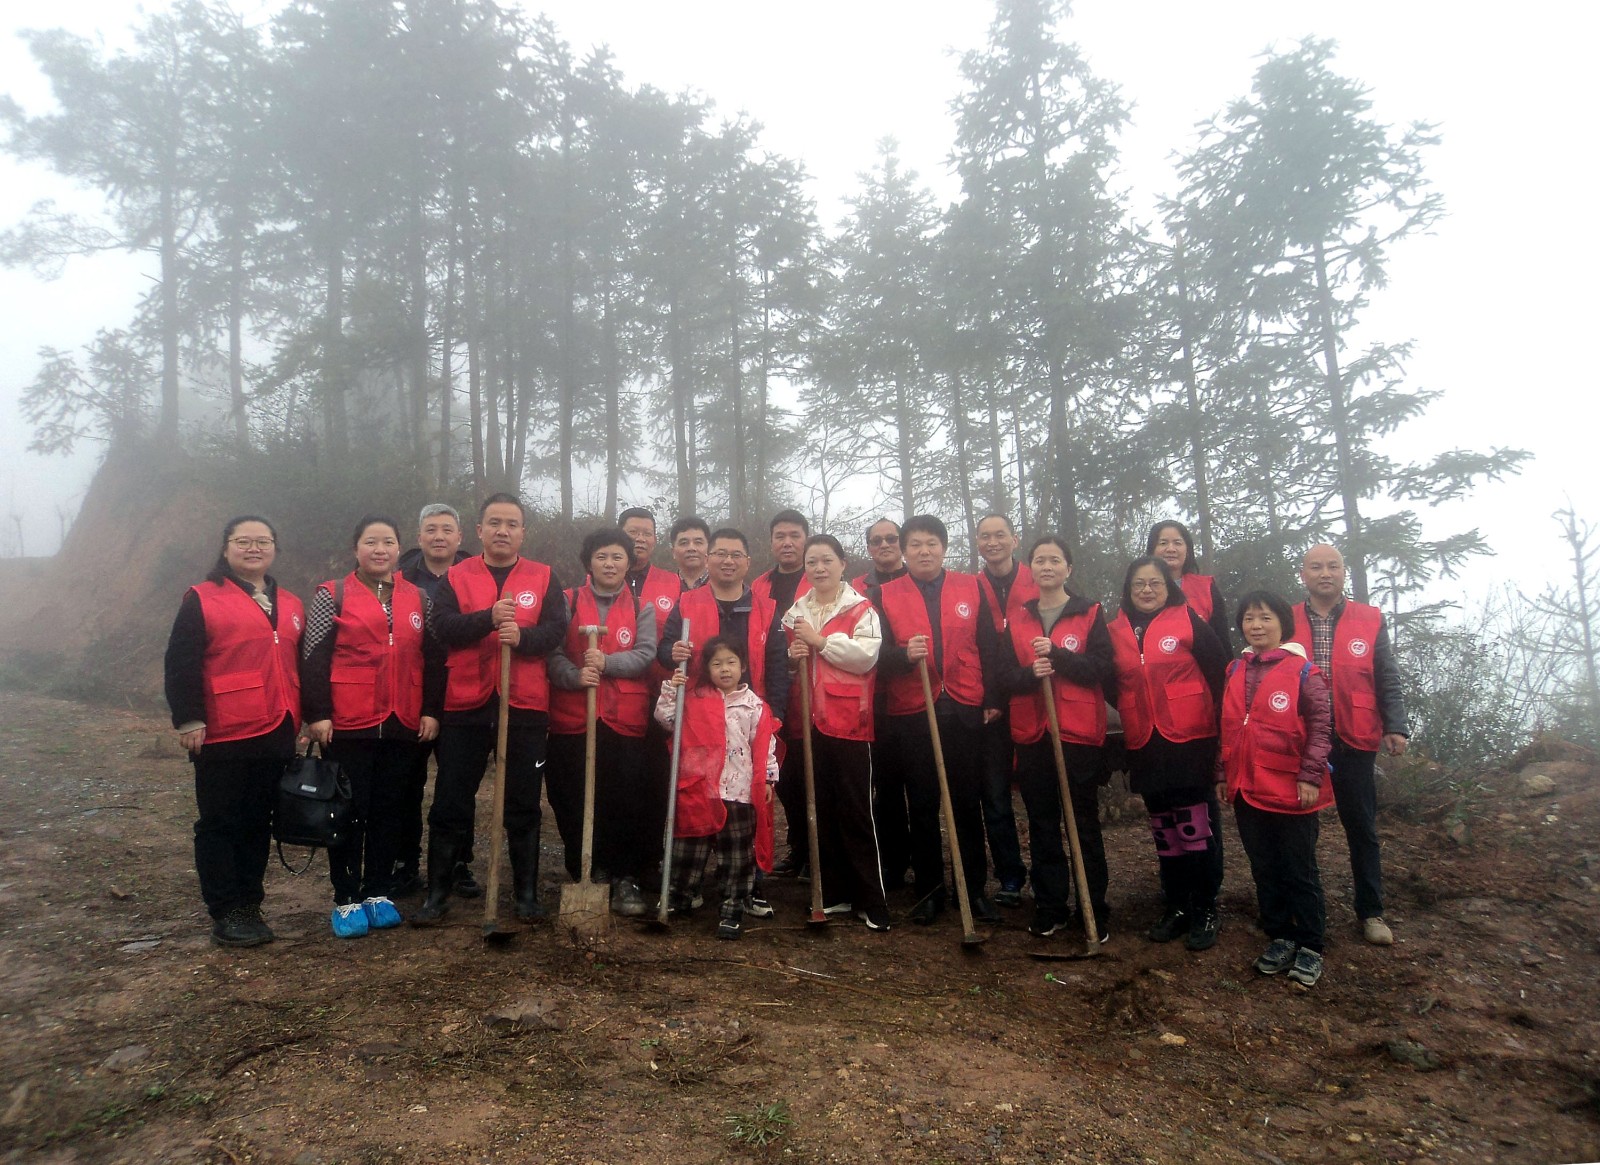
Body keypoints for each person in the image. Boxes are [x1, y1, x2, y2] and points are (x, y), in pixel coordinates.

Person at [413, 493, 569, 925]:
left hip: (525, 705)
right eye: (495, 523)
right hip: (466, 703)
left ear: (522, 532)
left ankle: (526, 896)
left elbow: (557, 630)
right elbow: (442, 627)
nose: (503, 531)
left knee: (523, 801)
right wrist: (489, 618)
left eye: (512, 524)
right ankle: (437, 894)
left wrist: (523, 638)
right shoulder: (457, 576)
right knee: (451, 798)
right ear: (479, 531)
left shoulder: (544, 576)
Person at [301, 516, 445, 937]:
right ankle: (346, 896)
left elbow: (434, 658)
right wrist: (317, 713)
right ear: (356, 549)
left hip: (403, 721)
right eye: (371, 542)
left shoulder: (419, 597)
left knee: (390, 809)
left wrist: (431, 710)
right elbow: (313, 656)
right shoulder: (333, 594)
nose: (380, 550)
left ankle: (378, 891)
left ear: (400, 549)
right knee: (348, 810)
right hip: (348, 722)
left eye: (387, 542)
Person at [163, 516, 302, 947]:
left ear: (275, 547)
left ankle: (250, 903)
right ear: (226, 548)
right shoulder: (202, 599)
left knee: (258, 822)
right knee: (221, 822)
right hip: (223, 730)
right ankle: (226, 910)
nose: (254, 548)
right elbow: (181, 662)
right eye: (244, 541)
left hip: (276, 727)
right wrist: (189, 718)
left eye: (263, 541)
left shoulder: (290, 602)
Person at [873, 514, 1003, 926]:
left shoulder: (972, 586)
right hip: (913, 711)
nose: (924, 551)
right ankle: (929, 891)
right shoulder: (884, 594)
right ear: (904, 552)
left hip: (964, 707)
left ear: (944, 548)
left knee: (966, 802)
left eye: (931, 543)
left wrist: (993, 697)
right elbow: (874, 654)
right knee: (923, 804)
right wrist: (902, 656)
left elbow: (989, 645)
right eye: (915, 545)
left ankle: (973, 890)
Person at [657, 527, 791, 916]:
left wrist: (775, 713)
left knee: (749, 802)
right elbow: (665, 650)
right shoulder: (687, 602)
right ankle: (688, 886)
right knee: (696, 798)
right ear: (708, 559)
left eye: (736, 554)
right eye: (720, 553)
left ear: (748, 562)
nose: (727, 561)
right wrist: (673, 652)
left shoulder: (766, 608)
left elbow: (778, 664)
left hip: (749, 716)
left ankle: (748, 885)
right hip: (699, 717)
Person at [992, 536, 1115, 941]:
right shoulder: (1018, 619)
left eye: (1055, 560)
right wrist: (1031, 674)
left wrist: (1058, 656)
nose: (1047, 567)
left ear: (1068, 568)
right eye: (1040, 560)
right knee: (1043, 823)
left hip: (1077, 734)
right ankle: (1050, 906)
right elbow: (1004, 676)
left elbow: (1101, 668)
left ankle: (1093, 908)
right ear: (1031, 569)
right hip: (1033, 734)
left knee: (1083, 823)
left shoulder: (1089, 612)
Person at [1289, 544, 1410, 946]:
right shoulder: (1286, 619)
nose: (1325, 573)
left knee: (1361, 827)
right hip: (1302, 739)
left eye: (1333, 566)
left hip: (1354, 737)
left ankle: (1371, 911)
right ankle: (1302, 908)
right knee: (1300, 829)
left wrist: (1395, 725)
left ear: (1343, 573)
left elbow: (1386, 674)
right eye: (1316, 567)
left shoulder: (1369, 618)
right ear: (1303, 574)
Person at [1108, 557, 1229, 951]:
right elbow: (1110, 683)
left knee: (1195, 825)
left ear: (1168, 587)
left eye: (1155, 583)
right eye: (1139, 584)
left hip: (1190, 738)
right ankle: (1176, 903)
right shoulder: (1114, 630)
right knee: (1164, 828)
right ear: (1128, 589)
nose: (1146, 590)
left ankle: (1205, 906)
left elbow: (1219, 670)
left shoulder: (1188, 619)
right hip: (1144, 740)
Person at [1217, 590, 1334, 987]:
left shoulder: (1304, 672)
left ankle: (1311, 944)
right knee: (1264, 867)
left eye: (1265, 618)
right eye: (1249, 618)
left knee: (1299, 870)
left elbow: (1321, 728)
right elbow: (1226, 726)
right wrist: (1222, 774)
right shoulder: (1235, 669)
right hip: (1246, 787)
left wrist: (1310, 776)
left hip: (1291, 788)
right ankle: (1280, 935)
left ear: (1283, 624)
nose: (1256, 625)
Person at [547, 528, 659, 915]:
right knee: (571, 797)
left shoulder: (642, 606)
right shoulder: (567, 601)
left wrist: (607, 662)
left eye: (617, 557)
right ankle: (587, 869)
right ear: (589, 562)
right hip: (573, 719)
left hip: (623, 721)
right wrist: (575, 675)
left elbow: (645, 653)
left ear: (629, 563)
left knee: (624, 798)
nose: (609, 564)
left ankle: (625, 875)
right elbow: (553, 653)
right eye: (601, 557)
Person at [783, 534, 890, 931]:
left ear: (843, 564)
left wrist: (821, 641)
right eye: (812, 562)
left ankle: (871, 898)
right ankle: (833, 892)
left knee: (856, 810)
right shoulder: (795, 613)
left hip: (849, 723)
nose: (819, 568)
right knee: (821, 809)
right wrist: (792, 658)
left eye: (827, 560)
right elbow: (786, 666)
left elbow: (865, 658)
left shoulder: (861, 609)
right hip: (806, 722)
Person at [654, 637, 780, 939]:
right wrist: (672, 689)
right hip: (700, 788)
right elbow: (666, 719)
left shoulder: (753, 706)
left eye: (731, 662)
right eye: (717, 664)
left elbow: (764, 744)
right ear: (707, 669)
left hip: (738, 792)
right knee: (688, 848)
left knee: (736, 855)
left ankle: (733, 907)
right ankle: (679, 896)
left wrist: (767, 779)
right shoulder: (693, 699)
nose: (725, 669)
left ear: (743, 666)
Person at [395, 502, 470, 899]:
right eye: (431, 530)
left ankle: (458, 863)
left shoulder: (475, 575)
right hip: (411, 693)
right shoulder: (398, 579)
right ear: (419, 536)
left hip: (463, 692)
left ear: (460, 537)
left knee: (458, 782)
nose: (439, 537)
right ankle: (404, 862)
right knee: (406, 782)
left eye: (446, 529)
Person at [973, 513, 1037, 907]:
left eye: (1000, 535)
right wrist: (990, 699)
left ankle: (1051, 878)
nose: (993, 542)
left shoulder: (1039, 577)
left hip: (1035, 700)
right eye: (985, 536)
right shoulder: (972, 588)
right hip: (992, 707)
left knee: (1040, 795)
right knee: (994, 796)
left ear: (1014, 540)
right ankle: (1010, 875)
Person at [752, 509, 813, 877]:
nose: (787, 543)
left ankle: (816, 853)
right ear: (771, 541)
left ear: (805, 539)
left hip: (811, 691)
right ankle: (798, 847)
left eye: (794, 535)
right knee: (784, 777)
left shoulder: (818, 577)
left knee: (810, 774)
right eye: (780, 536)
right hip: (771, 691)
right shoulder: (759, 585)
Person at [850, 518, 911, 888]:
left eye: (891, 538)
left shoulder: (916, 581)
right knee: (885, 785)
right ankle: (892, 860)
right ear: (869, 547)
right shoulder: (858, 588)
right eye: (876, 540)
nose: (884, 545)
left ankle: (927, 860)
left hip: (916, 696)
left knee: (920, 786)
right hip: (874, 699)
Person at [1147, 520, 1233, 656]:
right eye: (1163, 543)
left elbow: (1223, 642)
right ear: (1152, 550)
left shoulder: (1206, 587)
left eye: (1177, 543)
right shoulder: (1139, 590)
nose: (1171, 549)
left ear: (1187, 550)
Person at [668, 516, 711, 591]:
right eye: (684, 543)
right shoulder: (664, 588)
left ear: (710, 548)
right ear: (673, 552)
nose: (691, 548)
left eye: (698, 542)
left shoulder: (723, 586)